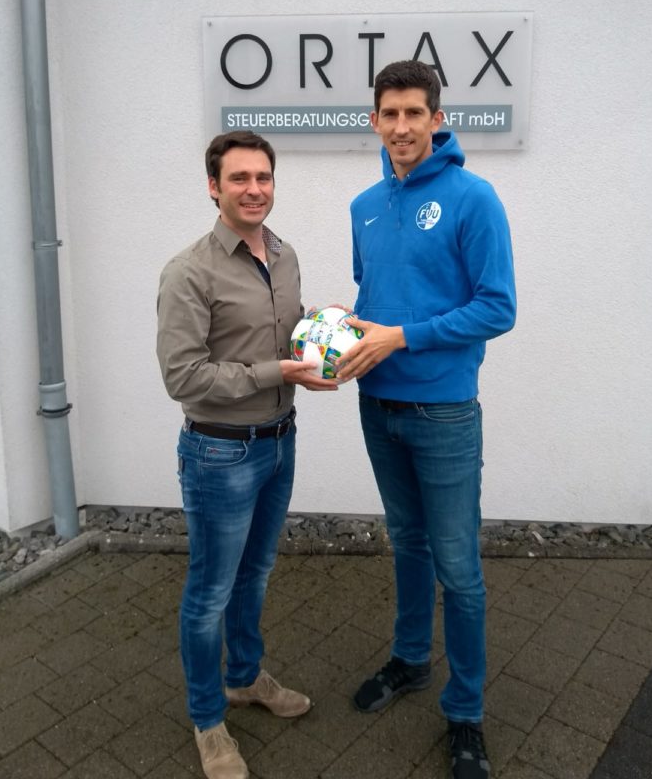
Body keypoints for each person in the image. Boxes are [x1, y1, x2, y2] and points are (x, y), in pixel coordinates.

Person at [337, 60, 516, 779]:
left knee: (459, 569)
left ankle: (465, 711)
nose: (402, 126)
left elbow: (497, 307)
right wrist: (345, 331)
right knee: (406, 544)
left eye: (415, 113)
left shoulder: (475, 199)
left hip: (443, 411)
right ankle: (411, 659)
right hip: (377, 405)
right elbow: (376, 297)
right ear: (374, 121)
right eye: (390, 114)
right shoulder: (364, 205)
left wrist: (401, 337)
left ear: (437, 119)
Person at [157, 131, 336, 779]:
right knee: (210, 591)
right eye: (239, 178)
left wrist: (323, 332)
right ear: (214, 187)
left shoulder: (284, 256)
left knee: (254, 575)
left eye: (263, 177)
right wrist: (275, 373)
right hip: (220, 454)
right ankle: (208, 720)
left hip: (280, 442)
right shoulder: (189, 271)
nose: (254, 189)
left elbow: (282, 334)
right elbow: (183, 376)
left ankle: (244, 678)